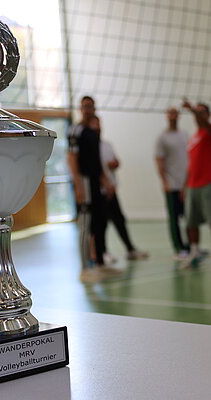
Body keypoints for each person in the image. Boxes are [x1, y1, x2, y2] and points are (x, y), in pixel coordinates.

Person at [67, 96, 121, 282]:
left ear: (94, 108)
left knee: (99, 223)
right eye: (84, 107)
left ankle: (100, 264)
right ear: (81, 109)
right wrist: (78, 185)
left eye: (90, 106)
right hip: (85, 182)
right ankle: (84, 269)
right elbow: (72, 158)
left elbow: (96, 159)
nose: (87, 110)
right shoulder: (76, 129)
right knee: (86, 225)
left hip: (97, 184)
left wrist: (105, 179)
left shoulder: (93, 130)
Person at [89, 116, 148, 262]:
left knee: (119, 220)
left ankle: (130, 249)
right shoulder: (89, 147)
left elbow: (117, 162)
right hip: (98, 192)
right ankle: (102, 253)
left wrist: (114, 165)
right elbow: (93, 170)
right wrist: (104, 184)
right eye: (94, 125)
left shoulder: (107, 145)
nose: (97, 127)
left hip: (111, 190)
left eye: (99, 124)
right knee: (100, 224)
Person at [181, 99, 211, 274]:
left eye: (202, 112)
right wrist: (185, 186)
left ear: (208, 115)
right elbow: (190, 165)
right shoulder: (193, 138)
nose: (198, 115)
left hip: (209, 184)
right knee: (191, 224)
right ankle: (194, 254)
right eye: (197, 112)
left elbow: (204, 122)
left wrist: (191, 108)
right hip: (192, 187)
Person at [155, 107, 190, 260]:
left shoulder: (184, 135)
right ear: (166, 116)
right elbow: (159, 160)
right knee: (174, 217)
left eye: (175, 113)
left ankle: (191, 246)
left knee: (189, 217)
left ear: (178, 116)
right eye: (169, 113)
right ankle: (178, 248)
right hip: (172, 184)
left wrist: (188, 183)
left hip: (186, 184)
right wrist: (164, 182)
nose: (172, 116)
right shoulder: (162, 138)